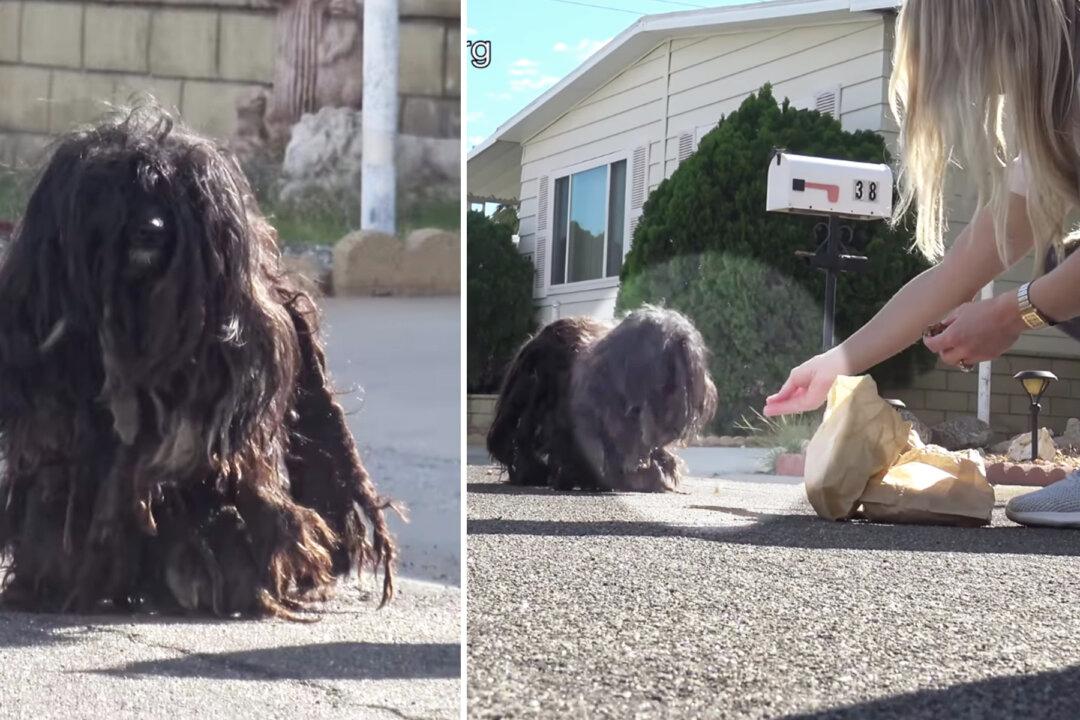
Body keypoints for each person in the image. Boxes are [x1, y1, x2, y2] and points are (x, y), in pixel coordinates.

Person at [764, 0, 1080, 528]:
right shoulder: (1056, 121)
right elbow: (959, 270)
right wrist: (839, 361)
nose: (971, 86)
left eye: (958, 61)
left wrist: (1011, 313)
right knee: (1061, 270)